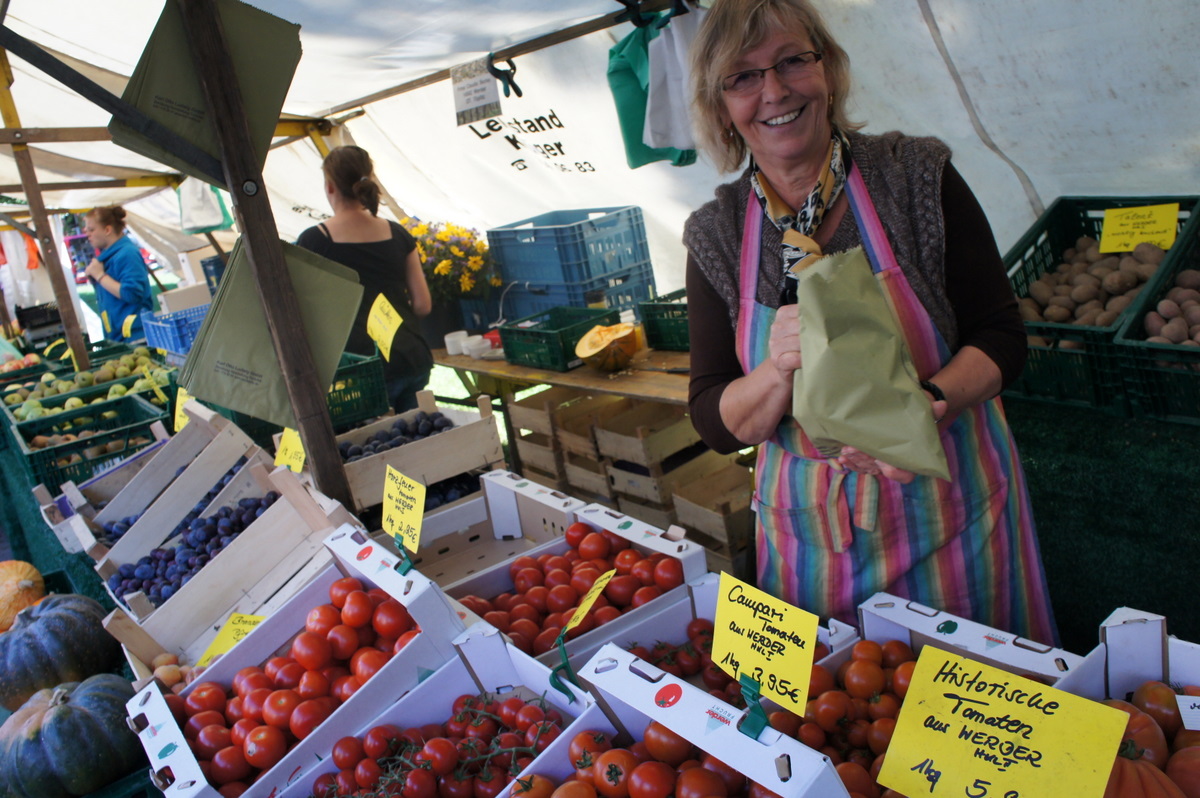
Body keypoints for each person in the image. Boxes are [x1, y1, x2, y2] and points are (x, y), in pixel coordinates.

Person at [683, 0, 1058, 644]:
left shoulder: (915, 177)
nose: (773, 91)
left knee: (980, 724)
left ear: (826, 69)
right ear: (720, 107)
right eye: (742, 77)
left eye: (791, 61)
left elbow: (1001, 335)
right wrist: (777, 370)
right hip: (810, 543)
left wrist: (929, 401)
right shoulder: (715, 234)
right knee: (841, 727)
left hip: (954, 520)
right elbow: (715, 419)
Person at [296, 146, 433, 413]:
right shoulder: (397, 232)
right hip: (409, 356)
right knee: (423, 440)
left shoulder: (314, 241)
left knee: (378, 449)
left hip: (360, 368)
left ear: (330, 186)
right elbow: (422, 305)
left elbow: (305, 312)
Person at [83, 205, 153, 342]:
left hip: (137, 338)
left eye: (91, 230)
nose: (87, 234)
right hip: (120, 337)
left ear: (107, 230)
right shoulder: (109, 257)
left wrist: (100, 276)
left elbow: (132, 294)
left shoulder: (127, 254)